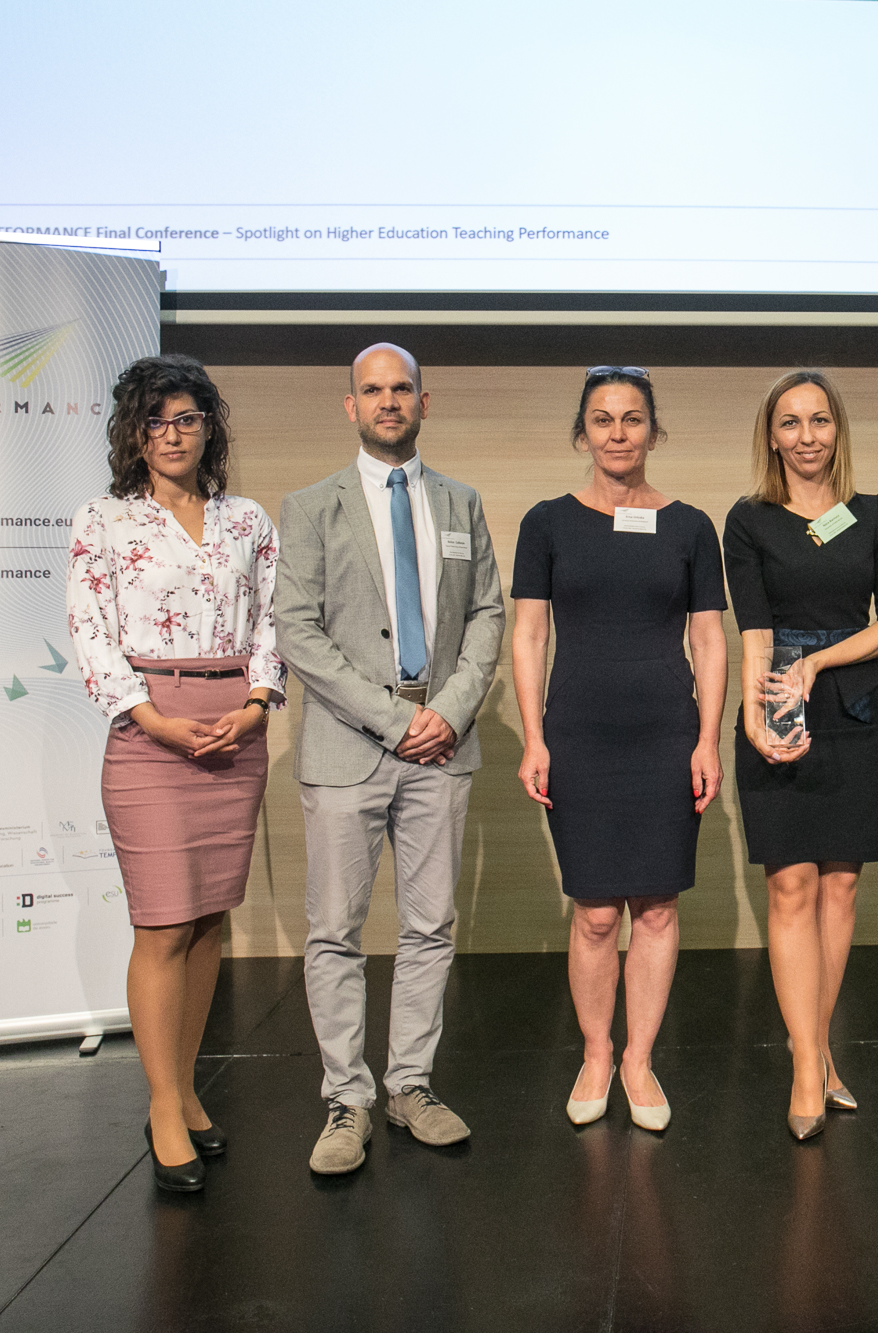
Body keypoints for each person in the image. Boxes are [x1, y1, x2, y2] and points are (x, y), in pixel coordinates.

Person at [275, 343, 506, 1175]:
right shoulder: (310, 507)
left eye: (401, 388)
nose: (388, 401)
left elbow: (487, 615)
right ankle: (348, 1098)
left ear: (423, 401)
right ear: (351, 406)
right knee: (336, 930)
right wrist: (392, 719)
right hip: (349, 744)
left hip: (441, 742)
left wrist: (447, 711)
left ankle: (410, 1084)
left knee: (430, 925)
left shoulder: (461, 502)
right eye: (372, 390)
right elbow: (297, 630)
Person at [68, 354, 284, 1193]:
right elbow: (91, 632)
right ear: (133, 432)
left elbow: (270, 621)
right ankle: (162, 1105)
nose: (171, 434)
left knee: (206, 922)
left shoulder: (246, 519)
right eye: (155, 421)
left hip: (235, 731)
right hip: (149, 732)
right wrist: (152, 717)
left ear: (208, 428)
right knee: (161, 925)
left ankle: (186, 1087)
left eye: (187, 418)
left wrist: (258, 703)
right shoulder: (104, 519)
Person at [512, 367, 728, 1134]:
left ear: (653, 431)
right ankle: (597, 1053)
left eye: (632, 418)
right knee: (598, 912)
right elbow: (529, 633)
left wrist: (708, 739)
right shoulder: (546, 523)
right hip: (579, 734)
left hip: (666, 733)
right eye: (602, 419)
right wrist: (534, 736)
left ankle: (639, 1058)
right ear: (582, 433)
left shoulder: (691, 526)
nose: (617, 432)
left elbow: (710, 638)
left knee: (658, 907)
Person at [724, 370, 878, 1140]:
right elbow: (754, 631)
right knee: (790, 885)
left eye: (820, 420)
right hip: (780, 703)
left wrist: (821, 662)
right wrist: (753, 715)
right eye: (791, 422)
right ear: (772, 436)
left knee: (839, 889)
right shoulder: (749, 519)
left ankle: (820, 1046)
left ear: (838, 430)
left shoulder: (873, 514)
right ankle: (807, 1063)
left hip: (854, 709)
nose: (807, 436)